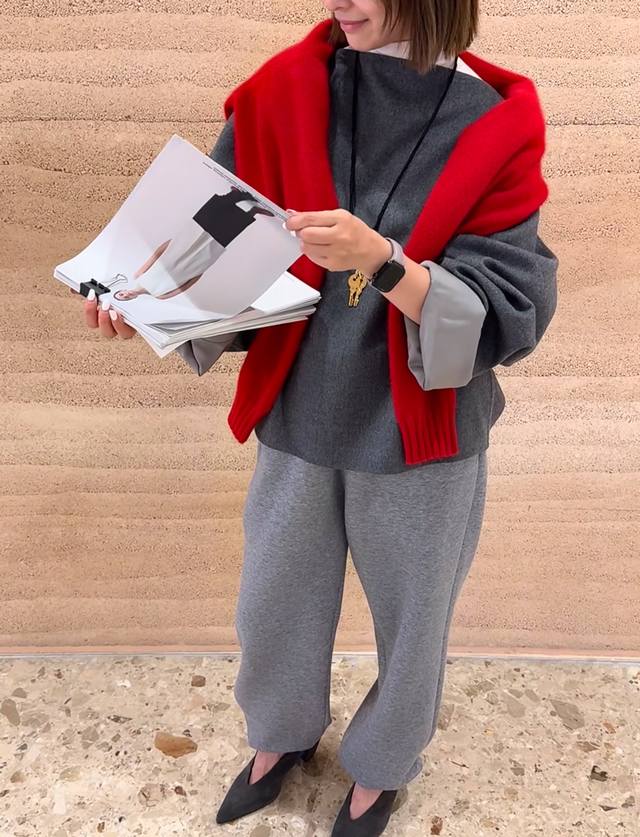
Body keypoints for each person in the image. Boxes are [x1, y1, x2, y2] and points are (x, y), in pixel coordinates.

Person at [73, 1, 559, 834]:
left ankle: (381, 766)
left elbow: (510, 298)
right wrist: (144, 303)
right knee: (274, 597)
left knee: (414, 617)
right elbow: (216, 232)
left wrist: (384, 261)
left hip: (422, 425)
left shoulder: (496, 124)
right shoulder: (281, 93)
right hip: (301, 405)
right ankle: (280, 734)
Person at [112, 187, 276, 301]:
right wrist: (202, 268)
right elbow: (185, 286)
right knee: (223, 234)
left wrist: (172, 243)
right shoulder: (159, 296)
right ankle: (252, 212)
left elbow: (155, 256)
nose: (126, 295)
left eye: (121, 294)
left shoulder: (138, 276)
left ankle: (232, 196)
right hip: (197, 262)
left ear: (123, 290)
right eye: (125, 298)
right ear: (131, 299)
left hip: (179, 247)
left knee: (203, 221)